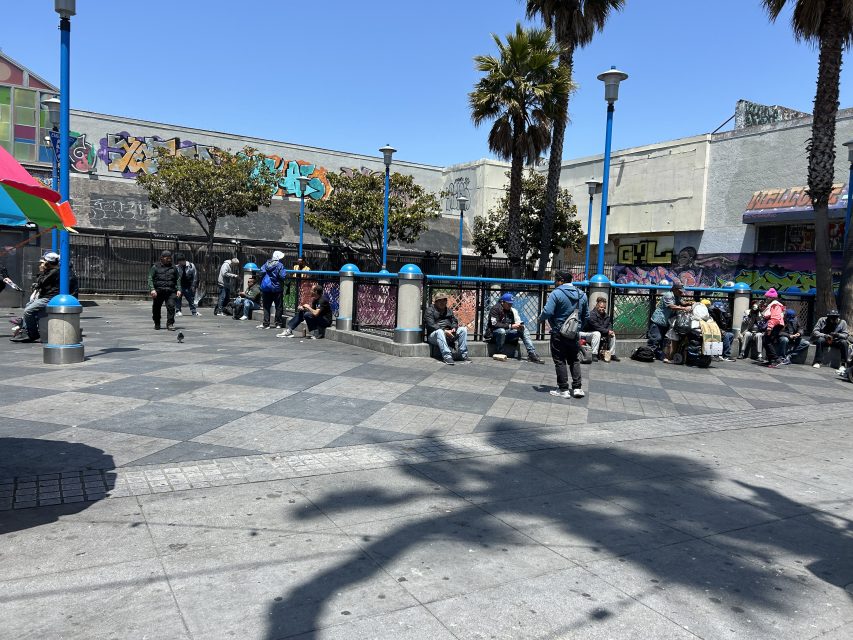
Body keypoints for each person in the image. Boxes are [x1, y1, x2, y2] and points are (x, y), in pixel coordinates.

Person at [540, 270, 588, 398]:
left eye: (556, 280)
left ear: (560, 280)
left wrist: (541, 318)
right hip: (574, 334)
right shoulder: (582, 294)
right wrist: (577, 328)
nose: (555, 283)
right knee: (574, 359)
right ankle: (577, 388)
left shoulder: (556, 293)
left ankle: (563, 389)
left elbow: (548, 311)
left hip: (558, 333)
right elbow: (586, 316)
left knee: (560, 361)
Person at [10, 252, 60, 343]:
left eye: (43, 262)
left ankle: (32, 334)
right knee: (29, 304)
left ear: (48, 262)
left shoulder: (54, 272)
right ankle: (25, 330)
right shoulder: (51, 271)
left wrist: (42, 271)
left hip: (49, 297)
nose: (41, 264)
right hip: (45, 295)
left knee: (28, 311)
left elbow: (42, 282)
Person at [484, 292, 543, 363]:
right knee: (501, 331)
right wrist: (511, 326)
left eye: (511, 303)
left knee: (524, 329)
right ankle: (499, 352)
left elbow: (511, 324)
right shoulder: (495, 309)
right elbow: (494, 324)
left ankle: (532, 353)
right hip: (494, 335)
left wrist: (517, 326)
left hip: (507, 334)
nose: (510, 305)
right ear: (502, 302)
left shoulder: (511, 311)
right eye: (508, 303)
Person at [648, 280, 691, 362]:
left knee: (663, 340)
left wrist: (690, 304)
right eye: (680, 291)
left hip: (666, 322)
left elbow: (682, 303)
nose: (681, 293)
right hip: (658, 321)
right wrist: (684, 308)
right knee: (655, 338)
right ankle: (648, 355)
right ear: (674, 289)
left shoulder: (677, 296)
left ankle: (657, 355)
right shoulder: (668, 295)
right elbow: (671, 306)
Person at [424, 292, 471, 365]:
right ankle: (447, 356)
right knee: (439, 331)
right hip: (434, 335)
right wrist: (444, 331)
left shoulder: (449, 310)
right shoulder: (430, 310)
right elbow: (431, 325)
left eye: (444, 300)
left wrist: (454, 328)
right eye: (440, 300)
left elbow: (454, 321)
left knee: (463, 329)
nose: (442, 302)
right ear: (436, 302)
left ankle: (463, 354)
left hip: (449, 333)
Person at [147, 250, 181, 331]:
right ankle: (157, 322)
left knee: (171, 307)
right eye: (167, 258)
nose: (168, 260)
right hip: (158, 291)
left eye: (170, 258)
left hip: (170, 291)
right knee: (156, 308)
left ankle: (170, 323)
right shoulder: (155, 267)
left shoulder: (174, 268)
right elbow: (150, 278)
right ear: (162, 258)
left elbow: (178, 278)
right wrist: (152, 289)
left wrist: (179, 289)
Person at [580, 296, 620, 362]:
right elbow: (596, 327)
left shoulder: (606, 316)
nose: (602, 309)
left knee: (612, 335)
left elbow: (609, 325)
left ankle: (612, 354)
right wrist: (607, 331)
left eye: (604, 308)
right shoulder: (591, 315)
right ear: (597, 306)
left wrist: (610, 331)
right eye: (601, 307)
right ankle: (594, 354)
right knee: (597, 333)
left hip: (599, 333)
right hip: (585, 334)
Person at [810, 309, 850, 374]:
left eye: (835, 318)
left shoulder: (843, 322)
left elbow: (845, 335)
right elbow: (815, 331)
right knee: (820, 340)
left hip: (836, 340)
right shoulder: (822, 320)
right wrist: (824, 335)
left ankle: (843, 364)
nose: (833, 319)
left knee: (844, 343)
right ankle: (817, 362)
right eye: (831, 318)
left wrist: (838, 334)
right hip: (825, 339)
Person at [258, 251, 287, 329]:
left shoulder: (266, 264)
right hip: (277, 288)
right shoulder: (280, 265)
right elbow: (283, 276)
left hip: (266, 288)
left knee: (266, 306)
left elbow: (261, 273)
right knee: (278, 306)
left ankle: (266, 323)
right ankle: (278, 323)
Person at [762, 288, 787, 368]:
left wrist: (769, 328)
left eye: (767, 297)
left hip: (775, 325)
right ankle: (771, 360)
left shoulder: (775, 305)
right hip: (775, 325)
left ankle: (776, 359)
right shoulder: (773, 304)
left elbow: (775, 318)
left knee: (767, 341)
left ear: (772, 297)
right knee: (767, 341)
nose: (766, 298)